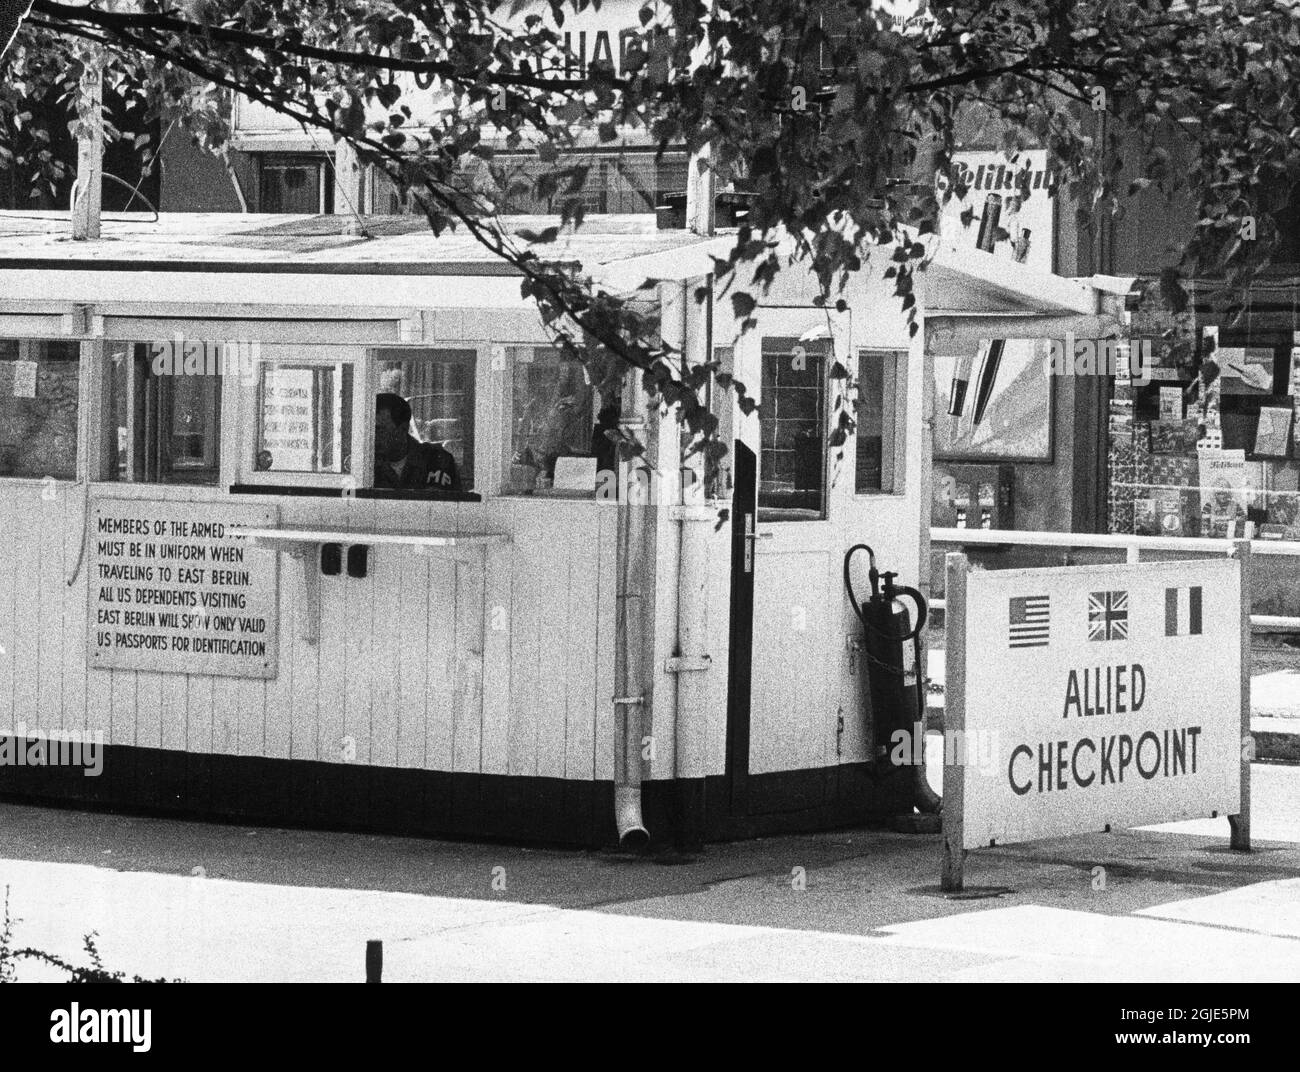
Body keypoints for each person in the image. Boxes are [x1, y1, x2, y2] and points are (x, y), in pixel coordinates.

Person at [373, 393, 461, 491]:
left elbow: (433, 503)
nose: (372, 435)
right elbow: (353, 497)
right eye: (368, 429)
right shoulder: (365, 462)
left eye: (379, 429)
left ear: (403, 429)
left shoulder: (435, 458)